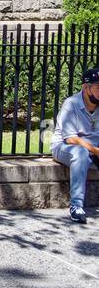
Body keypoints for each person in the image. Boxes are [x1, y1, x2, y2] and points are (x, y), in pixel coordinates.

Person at [51, 65, 99, 224]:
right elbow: (70, 138)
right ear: (86, 87)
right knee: (81, 153)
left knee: (85, 153)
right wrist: (95, 150)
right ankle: (76, 206)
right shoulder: (71, 103)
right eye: (98, 87)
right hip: (65, 147)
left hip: (93, 149)